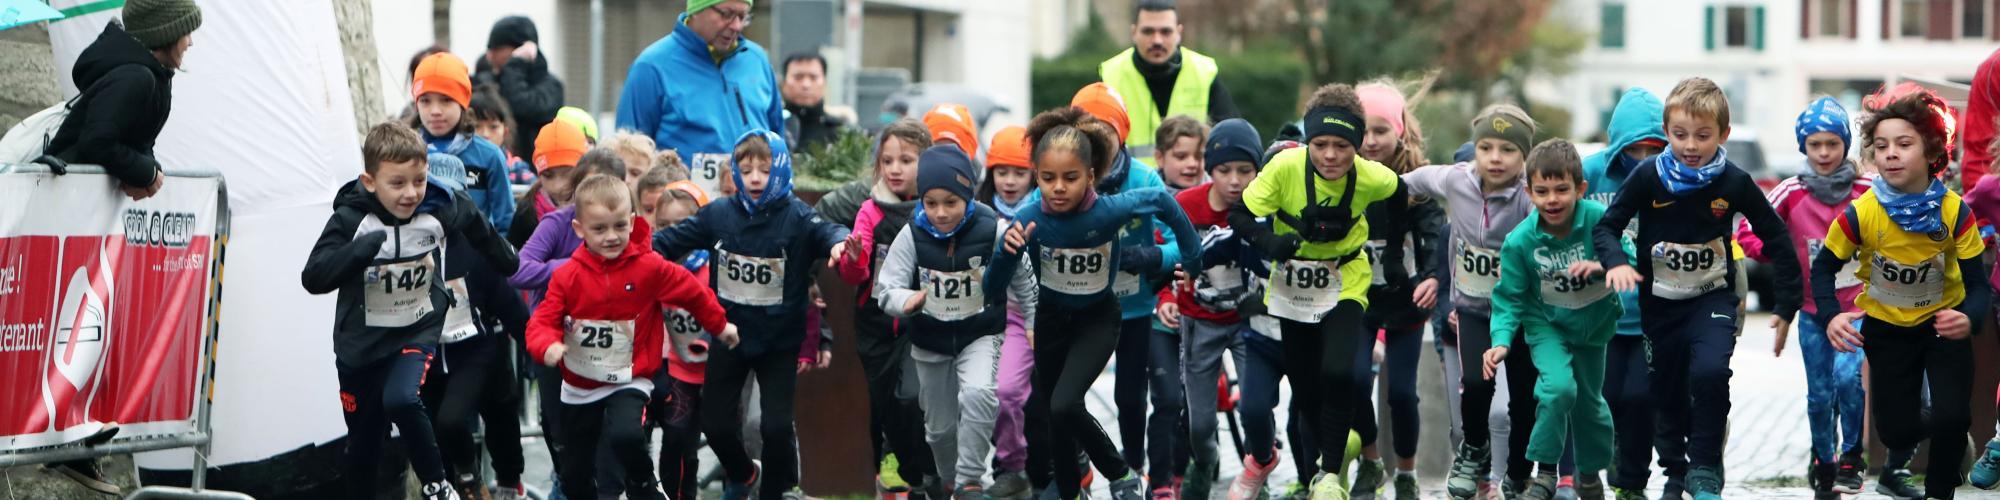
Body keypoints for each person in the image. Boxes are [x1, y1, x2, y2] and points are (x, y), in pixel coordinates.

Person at [1591, 77, 1803, 500]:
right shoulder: (1649, 177)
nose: (1690, 145)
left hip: (1712, 299)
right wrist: (1615, 263)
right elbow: (1606, 228)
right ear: (1667, 133)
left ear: (1723, 135)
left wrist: (1787, 301)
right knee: (1666, 391)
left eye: (1703, 136)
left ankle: (1704, 467)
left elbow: (1778, 238)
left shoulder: (1735, 182)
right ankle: (1675, 471)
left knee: (1709, 372)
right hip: (1661, 305)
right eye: (1680, 135)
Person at [985, 106, 1202, 500]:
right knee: (1055, 413)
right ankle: (1068, 490)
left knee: (1065, 404)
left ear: (1090, 176)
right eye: (1048, 179)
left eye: (1070, 178)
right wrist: (1006, 251)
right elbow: (992, 287)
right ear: (1036, 176)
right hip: (1051, 319)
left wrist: (1192, 257)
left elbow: (1163, 202)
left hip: (1098, 320)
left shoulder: (1109, 209)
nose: (1058, 188)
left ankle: (1119, 472)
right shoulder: (1029, 217)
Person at [300, 123, 518, 500]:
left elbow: (480, 229)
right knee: (364, 446)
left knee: (402, 397)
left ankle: (437, 486)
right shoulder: (353, 220)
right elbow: (313, 277)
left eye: (418, 180)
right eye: (397, 183)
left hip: (415, 329)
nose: (411, 193)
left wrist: (506, 258)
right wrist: (361, 250)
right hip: (361, 345)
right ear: (370, 181)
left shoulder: (442, 207)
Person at [1228, 83, 1409, 500]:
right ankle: (1336, 455)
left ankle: (1328, 476)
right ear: (1308, 142)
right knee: (1306, 389)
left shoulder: (1370, 175)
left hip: (1346, 278)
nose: (1330, 156)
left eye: (1342, 145)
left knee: (1340, 371)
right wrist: (1268, 243)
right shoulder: (1284, 168)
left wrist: (1395, 256)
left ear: (1358, 145)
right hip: (1291, 286)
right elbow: (1240, 214)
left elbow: (1400, 195)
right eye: (1320, 144)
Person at [652, 130, 852, 500]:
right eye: (746, 170)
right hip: (730, 336)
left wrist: (840, 243)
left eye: (764, 168)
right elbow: (669, 240)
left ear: (780, 169)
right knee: (714, 423)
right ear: (736, 173)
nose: (755, 178)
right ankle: (744, 473)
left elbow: (827, 231)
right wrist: (632, 251)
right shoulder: (718, 215)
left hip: (779, 341)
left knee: (775, 427)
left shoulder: (797, 217)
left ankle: (777, 491)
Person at [1816, 83, 1989, 500]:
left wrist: (1969, 317)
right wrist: (1831, 315)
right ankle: (1942, 429)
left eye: (1904, 144)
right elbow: (1822, 268)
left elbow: (1978, 284)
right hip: (1887, 330)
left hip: (1941, 328)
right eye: (1881, 145)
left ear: (1932, 154)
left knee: (1953, 415)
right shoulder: (1862, 213)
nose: (1890, 152)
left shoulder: (1954, 212)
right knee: (1896, 430)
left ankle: (1939, 490)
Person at [527, 174, 735, 500]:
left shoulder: (649, 267)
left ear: (632, 221)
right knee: (575, 474)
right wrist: (547, 345)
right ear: (579, 229)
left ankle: (643, 482)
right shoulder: (568, 276)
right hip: (580, 385)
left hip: (630, 377)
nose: (611, 237)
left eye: (619, 227)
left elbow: (693, 292)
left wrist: (720, 326)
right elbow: (543, 319)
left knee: (626, 434)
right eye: (599, 229)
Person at [873, 144, 1038, 499]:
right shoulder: (911, 234)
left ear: (967, 194)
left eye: (951, 202)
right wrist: (908, 300)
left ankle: (969, 483)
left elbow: (1023, 278)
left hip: (980, 333)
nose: (941, 213)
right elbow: (886, 289)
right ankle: (949, 481)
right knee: (939, 430)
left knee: (979, 395)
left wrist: (1031, 323)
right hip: (929, 341)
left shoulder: (993, 228)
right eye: (931, 203)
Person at [1733, 96, 1871, 499]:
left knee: (1848, 379)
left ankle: (1851, 458)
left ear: (1846, 144)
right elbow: (1749, 231)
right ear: (1803, 147)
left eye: (1832, 143)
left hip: (1857, 306)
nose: (1825, 152)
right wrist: (1780, 253)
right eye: (1815, 145)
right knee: (1819, 393)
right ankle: (1823, 461)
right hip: (1812, 311)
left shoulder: (1867, 191)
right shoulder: (1791, 191)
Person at [1402, 104, 1538, 499]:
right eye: (1487, 147)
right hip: (1474, 310)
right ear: (1475, 149)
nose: (1495, 158)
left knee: (1525, 403)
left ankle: (1516, 472)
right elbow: (1406, 181)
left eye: (1508, 150)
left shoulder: (1530, 195)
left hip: (1521, 315)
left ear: (1524, 156)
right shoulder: (1456, 179)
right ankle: (1473, 450)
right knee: (1476, 385)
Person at [1059, 84, 1185, 491]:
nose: (1095, 139)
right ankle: (1078, 463)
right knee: (1067, 396)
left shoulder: (1145, 178)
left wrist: (1151, 258)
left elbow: (1180, 241)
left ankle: (1131, 470)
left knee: (1130, 400)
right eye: (1085, 129)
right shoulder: (1067, 178)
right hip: (1081, 311)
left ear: (1122, 133)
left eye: (1104, 130)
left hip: (1133, 311)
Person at [1482, 140, 1618, 500]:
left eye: (1562, 190)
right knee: (1557, 389)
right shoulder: (1520, 241)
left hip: (1593, 323)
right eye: (1541, 191)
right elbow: (1508, 298)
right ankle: (1544, 473)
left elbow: (1629, 258)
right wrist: (1501, 341)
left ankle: (1590, 473)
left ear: (1581, 189)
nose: (1552, 199)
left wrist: (1603, 266)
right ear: (1529, 192)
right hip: (1546, 325)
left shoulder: (1598, 220)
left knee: (1590, 405)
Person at [815, 119, 941, 496]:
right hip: (873, 322)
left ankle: (924, 473)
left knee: (908, 399)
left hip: (920, 322)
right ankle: (906, 474)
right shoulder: (868, 206)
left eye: (906, 160)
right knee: (880, 403)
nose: (895, 169)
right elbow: (852, 270)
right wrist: (848, 256)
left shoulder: (939, 204)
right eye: (887, 161)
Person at [1152, 118, 1261, 500]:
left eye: (1245, 171)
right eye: (1224, 170)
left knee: (1256, 409)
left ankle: (1257, 472)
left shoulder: (1264, 206)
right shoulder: (1185, 205)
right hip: (1200, 320)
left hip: (1251, 321)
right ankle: (1205, 460)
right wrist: (1167, 299)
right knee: (1198, 423)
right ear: (1209, 170)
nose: (1234, 181)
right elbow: (1168, 261)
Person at [414, 153, 532, 500]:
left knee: (498, 415)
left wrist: (535, 347)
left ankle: (502, 481)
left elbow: (506, 298)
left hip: (477, 349)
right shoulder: (407, 244)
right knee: (440, 429)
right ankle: (458, 483)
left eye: (446, 199)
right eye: (430, 200)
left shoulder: (478, 245)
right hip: (428, 354)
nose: (437, 210)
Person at [1347, 82, 1444, 500]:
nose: (1370, 141)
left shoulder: (1418, 187)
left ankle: (1405, 470)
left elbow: (1436, 236)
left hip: (1405, 306)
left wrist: (1431, 276)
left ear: (1399, 132)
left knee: (1402, 393)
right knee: (1351, 380)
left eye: (1380, 131)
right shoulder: (1341, 178)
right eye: (1363, 131)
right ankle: (1370, 461)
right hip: (1358, 301)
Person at [1577, 88, 1663, 500]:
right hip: (1599, 316)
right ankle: (1597, 463)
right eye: (1635, 149)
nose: (1643, 159)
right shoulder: (1590, 174)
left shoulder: (1672, 176)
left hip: (1650, 316)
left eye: (1654, 149)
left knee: (1641, 399)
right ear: (1618, 144)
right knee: (1604, 398)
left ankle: (1632, 482)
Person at [617, 0, 785, 200]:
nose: (736, 26)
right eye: (726, 14)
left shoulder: (757, 59)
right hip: (683, 213)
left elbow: (777, 141)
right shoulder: (651, 67)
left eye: (743, 16)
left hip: (755, 211)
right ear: (696, 9)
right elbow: (629, 155)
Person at [46, 0, 200, 205]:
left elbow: (139, 142)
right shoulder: (136, 78)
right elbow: (96, 142)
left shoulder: (156, 77)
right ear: (167, 33)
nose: (190, 42)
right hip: (59, 198)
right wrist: (147, 173)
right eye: (186, 33)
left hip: (76, 200)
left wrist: (150, 171)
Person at [974, 125, 1039, 498]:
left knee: (1010, 392)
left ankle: (1014, 466)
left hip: (1027, 318)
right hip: (982, 315)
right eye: (1002, 172)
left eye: (1020, 172)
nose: (1010, 182)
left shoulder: (1047, 209)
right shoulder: (975, 214)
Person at [642, 178, 715, 500]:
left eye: (682, 224)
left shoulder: (713, 266)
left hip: (719, 373)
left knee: (723, 436)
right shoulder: (654, 268)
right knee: (676, 440)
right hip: (678, 372)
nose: (672, 233)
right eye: (663, 225)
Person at [1097, 0, 1238, 163]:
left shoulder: (1204, 72)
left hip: (1191, 186)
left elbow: (1230, 137)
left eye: (1166, 32)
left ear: (1179, 33)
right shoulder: (1110, 75)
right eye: (1148, 31)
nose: (1157, 40)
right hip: (1130, 185)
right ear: (1134, 32)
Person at [410, 53, 515, 238]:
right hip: (420, 260)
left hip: (475, 260)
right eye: (425, 101)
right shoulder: (403, 152)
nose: (435, 111)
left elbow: (505, 222)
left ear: (463, 102)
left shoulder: (489, 155)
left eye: (446, 100)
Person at [474, 15, 565, 160]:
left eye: (497, 49)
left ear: (523, 49)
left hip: (535, 174)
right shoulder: (486, 82)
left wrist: (516, 64)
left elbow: (520, 105)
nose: (489, 56)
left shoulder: (552, 87)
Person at [507, 119, 592, 248]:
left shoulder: (598, 206)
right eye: (548, 175)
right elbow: (516, 265)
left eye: (568, 173)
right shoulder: (527, 213)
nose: (558, 185)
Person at [782, 51, 850, 151]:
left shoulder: (840, 133)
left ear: (824, 83)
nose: (806, 85)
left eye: (813, 77)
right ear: (783, 83)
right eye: (798, 77)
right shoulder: (770, 128)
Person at [469, 87, 536, 185]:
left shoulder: (517, 171)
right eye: (476, 126)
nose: (485, 134)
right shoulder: (456, 167)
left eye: (493, 127)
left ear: (505, 131)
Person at [1155, 115, 1209, 190]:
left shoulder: (1217, 195)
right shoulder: (1146, 193)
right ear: (1160, 158)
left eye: (1199, 156)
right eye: (1181, 157)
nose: (1192, 164)